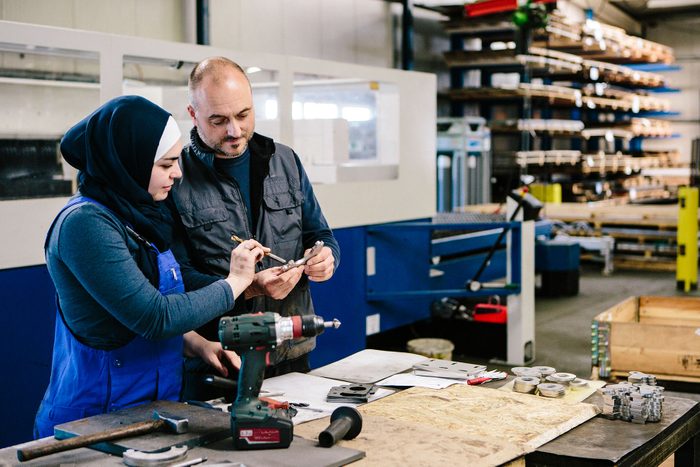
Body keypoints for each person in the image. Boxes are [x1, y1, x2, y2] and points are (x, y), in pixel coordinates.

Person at [34, 95, 266, 438]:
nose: (178, 172)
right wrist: (234, 282)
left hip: (154, 412)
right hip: (94, 420)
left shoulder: (140, 214)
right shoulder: (85, 225)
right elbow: (153, 316)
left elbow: (155, 293)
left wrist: (200, 345)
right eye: (166, 164)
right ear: (129, 162)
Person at [169, 57, 340, 392]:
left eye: (243, 115)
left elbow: (320, 234)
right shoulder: (176, 178)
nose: (234, 131)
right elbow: (175, 277)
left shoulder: (285, 160)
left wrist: (325, 257)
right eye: (218, 120)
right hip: (219, 359)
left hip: (291, 350)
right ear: (193, 114)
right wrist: (248, 286)